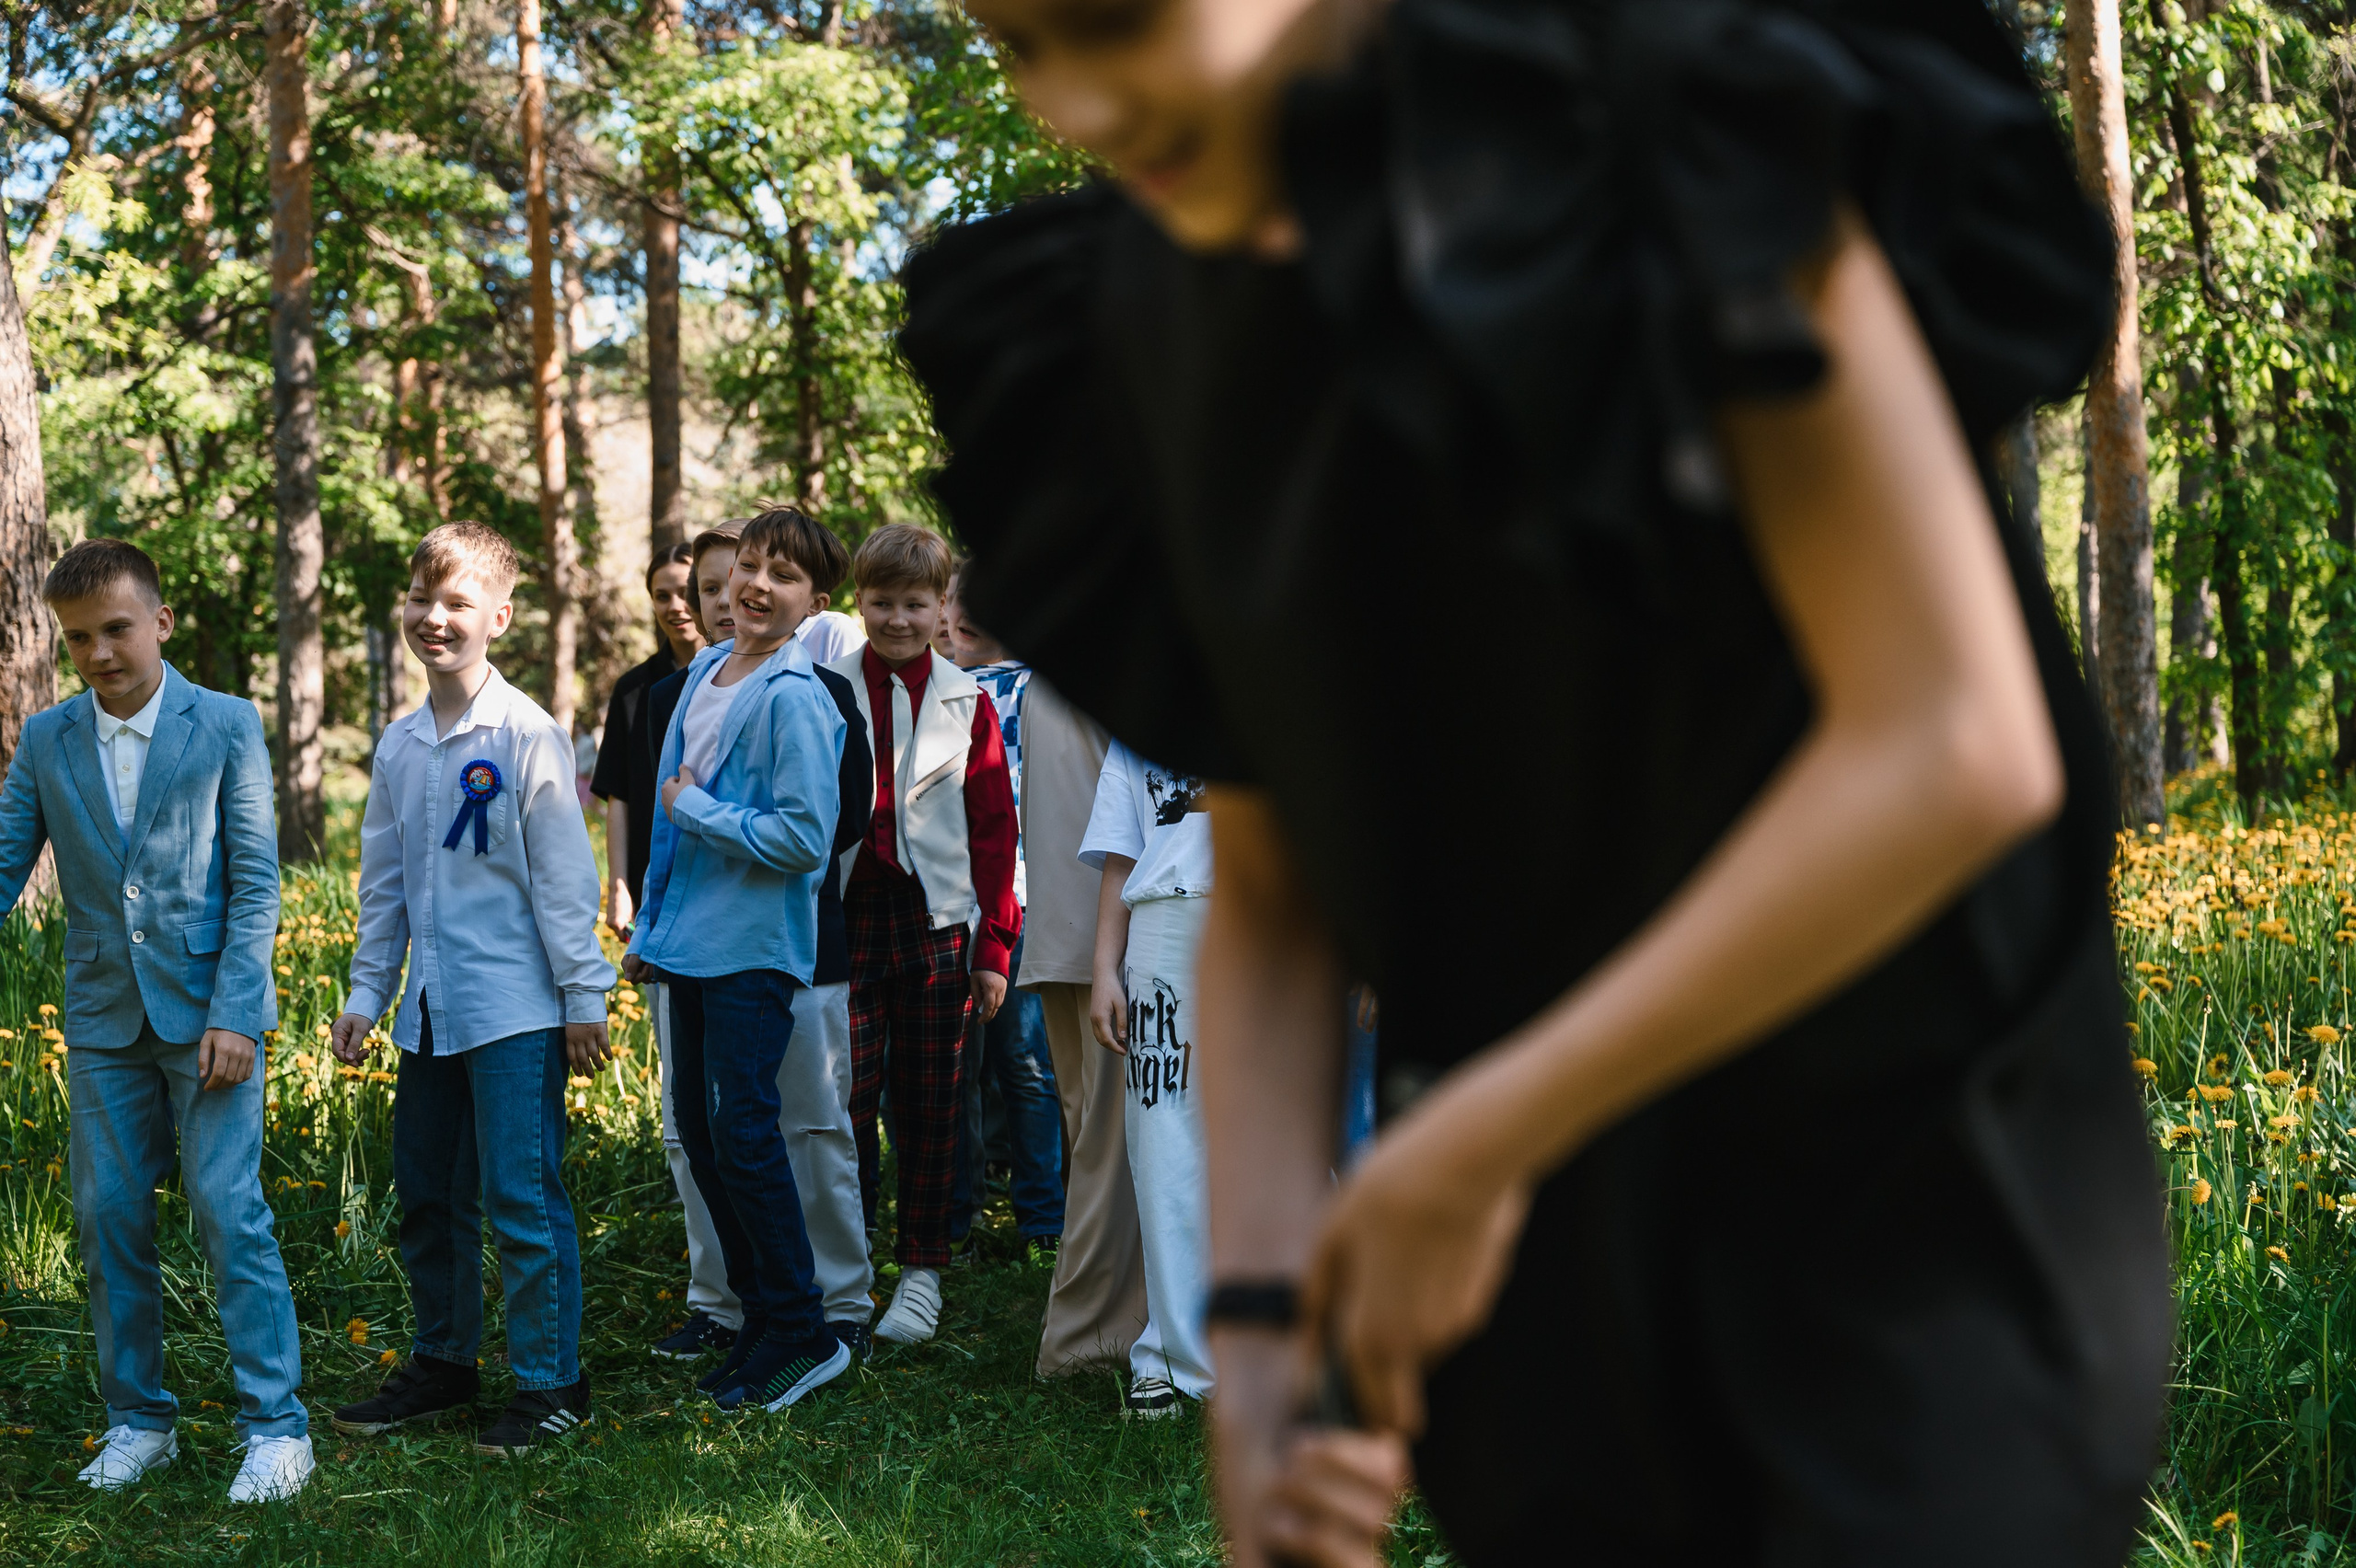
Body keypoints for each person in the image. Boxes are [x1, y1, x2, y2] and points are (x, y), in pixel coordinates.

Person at [897, 0, 2173, 1563]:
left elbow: (1953, 742)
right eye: (1019, 46)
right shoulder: (1153, 322)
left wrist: (1475, 1140)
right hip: (1536, 1255)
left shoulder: (1682, 121)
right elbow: (1276, 879)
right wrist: (1262, 1335)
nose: (1079, 103)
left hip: (1901, 1223)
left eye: (1117, 23)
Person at [0, 539, 310, 1503]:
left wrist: (236, 1012)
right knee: (107, 1216)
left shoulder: (224, 724)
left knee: (229, 1213)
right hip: (100, 1019)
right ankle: (139, 1420)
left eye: (117, 629)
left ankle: (277, 1427)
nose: (98, 653)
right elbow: (7, 858)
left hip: (210, 1017)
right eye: (79, 637)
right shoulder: (47, 740)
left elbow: (256, 881)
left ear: (161, 622)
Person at [329, 522, 616, 1457]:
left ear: (499, 615)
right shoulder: (402, 746)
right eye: (422, 600)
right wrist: (368, 993)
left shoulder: (528, 736)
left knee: (522, 1198)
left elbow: (564, 882)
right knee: (425, 1194)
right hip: (426, 1015)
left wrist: (582, 999)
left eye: (456, 603)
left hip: (517, 1014)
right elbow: (387, 884)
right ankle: (445, 1363)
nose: (434, 618)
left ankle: (550, 1383)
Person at [624, 508, 854, 1411]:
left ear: (813, 602)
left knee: (747, 1136)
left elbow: (805, 839)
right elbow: (663, 826)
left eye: (783, 576)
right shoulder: (707, 675)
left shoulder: (797, 694)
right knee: (706, 1135)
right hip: (686, 948)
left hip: (756, 950)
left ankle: (805, 1329)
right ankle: (761, 1319)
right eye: (750, 566)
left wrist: (698, 812)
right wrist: (650, 936)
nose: (757, 585)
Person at [826, 524, 1021, 1346]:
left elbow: (993, 830)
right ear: (857, 603)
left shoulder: (965, 697)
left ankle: (923, 1268)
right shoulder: (823, 686)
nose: (898, 620)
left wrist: (995, 947)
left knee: (935, 1098)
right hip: (844, 917)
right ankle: (848, 1265)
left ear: (943, 607)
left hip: (937, 922)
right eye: (880, 604)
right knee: (845, 1096)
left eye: (915, 604)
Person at [1018, 674, 1149, 1378]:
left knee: (1094, 1137)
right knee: (1109, 1146)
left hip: (1074, 936)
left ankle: (1106, 1327)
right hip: (1113, 938)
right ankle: (1090, 1338)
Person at [1080, 742, 1213, 1421]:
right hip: (1163, 924)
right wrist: (1107, 967)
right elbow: (1120, 852)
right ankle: (1170, 1357)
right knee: (1163, 1144)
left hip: (1278, 918)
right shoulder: (1138, 711)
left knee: (1283, 1137)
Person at [942, 571, 1066, 1267]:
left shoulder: (1025, 688)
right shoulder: (936, 687)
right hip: (949, 904)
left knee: (1022, 1060)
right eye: (955, 600)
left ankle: (1041, 1218)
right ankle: (957, 1218)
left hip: (1015, 900)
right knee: (962, 1067)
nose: (962, 614)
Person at [592, 541, 703, 941]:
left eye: (686, 591)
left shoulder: (737, 679)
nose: (676, 605)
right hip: (653, 882)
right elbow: (618, 795)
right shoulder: (633, 689)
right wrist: (620, 886)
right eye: (662, 596)